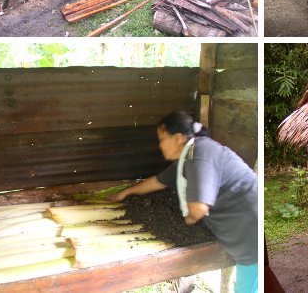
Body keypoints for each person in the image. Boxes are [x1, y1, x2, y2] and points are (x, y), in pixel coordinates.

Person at [110, 111, 258, 293]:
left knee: (249, 285)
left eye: (162, 138)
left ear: (178, 138)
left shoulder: (200, 154)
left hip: (248, 227)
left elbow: (198, 209)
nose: (160, 145)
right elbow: (158, 181)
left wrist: (185, 221)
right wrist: (125, 193)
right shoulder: (186, 159)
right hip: (238, 227)